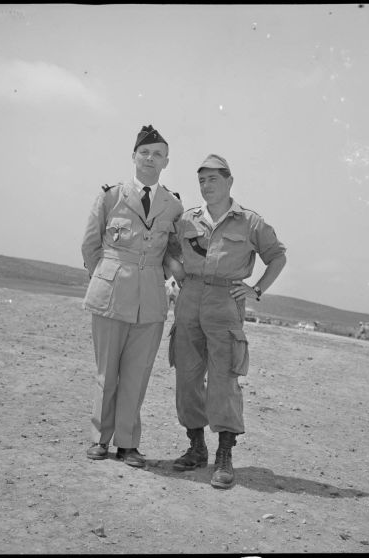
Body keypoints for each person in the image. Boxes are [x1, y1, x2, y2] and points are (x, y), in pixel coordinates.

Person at [167, 154, 286, 489]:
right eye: (201, 180)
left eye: (213, 179)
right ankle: (196, 446)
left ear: (229, 181)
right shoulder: (187, 219)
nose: (206, 186)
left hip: (225, 302)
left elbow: (277, 256)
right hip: (189, 300)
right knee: (187, 377)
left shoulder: (249, 222)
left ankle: (224, 455)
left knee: (224, 379)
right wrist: (178, 276)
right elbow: (168, 249)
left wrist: (257, 289)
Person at [81, 124, 183, 467]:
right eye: (145, 153)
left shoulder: (173, 205)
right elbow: (90, 245)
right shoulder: (111, 196)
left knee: (137, 374)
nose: (150, 159)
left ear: (166, 161)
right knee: (106, 372)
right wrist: (109, 275)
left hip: (151, 301)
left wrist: (154, 275)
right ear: (134, 157)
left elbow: (173, 253)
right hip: (111, 293)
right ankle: (100, 439)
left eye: (157, 154)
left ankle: (127, 444)